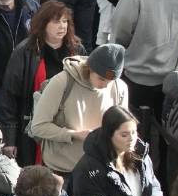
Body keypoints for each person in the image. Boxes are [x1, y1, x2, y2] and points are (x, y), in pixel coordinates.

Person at [28, 42, 128, 181]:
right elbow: (38, 127)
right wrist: (74, 134)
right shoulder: (62, 82)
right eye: (101, 79)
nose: (105, 85)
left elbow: (122, 129)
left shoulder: (119, 88)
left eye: (110, 81)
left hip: (99, 169)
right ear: (90, 68)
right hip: (62, 171)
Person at [1, 1, 84, 166]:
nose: (62, 26)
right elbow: (10, 97)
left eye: (65, 21)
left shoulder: (77, 50)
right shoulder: (24, 52)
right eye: (56, 21)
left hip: (69, 127)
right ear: (43, 23)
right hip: (33, 128)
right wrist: (10, 139)